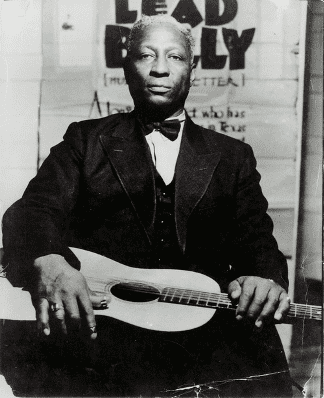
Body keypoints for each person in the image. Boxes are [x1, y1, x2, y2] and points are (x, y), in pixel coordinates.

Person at [2, 14, 293, 397]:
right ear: (127, 67)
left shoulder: (232, 155)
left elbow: (257, 239)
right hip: (107, 338)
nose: (159, 68)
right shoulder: (86, 140)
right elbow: (32, 211)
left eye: (174, 57)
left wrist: (263, 276)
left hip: (204, 341)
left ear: (193, 68)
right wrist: (48, 259)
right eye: (145, 56)